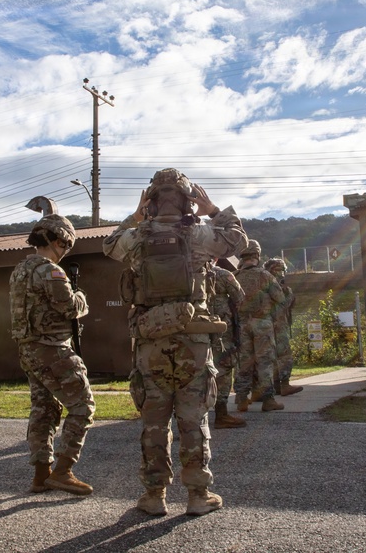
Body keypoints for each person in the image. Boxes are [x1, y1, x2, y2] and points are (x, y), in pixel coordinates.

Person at [103, 168, 247, 517]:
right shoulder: (200, 233)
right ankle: (198, 495)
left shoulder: (136, 237)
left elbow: (108, 245)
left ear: (151, 201)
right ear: (187, 199)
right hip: (193, 341)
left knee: (154, 422)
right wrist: (212, 208)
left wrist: (136, 216)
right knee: (193, 419)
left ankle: (154, 496)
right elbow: (238, 242)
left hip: (150, 342)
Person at [9, 214, 96, 496]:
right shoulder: (50, 271)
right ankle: (62, 471)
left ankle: (41, 474)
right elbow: (70, 307)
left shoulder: (19, 270)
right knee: (83, 407)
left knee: (44, 410)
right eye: (66, 247)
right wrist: (81, 296)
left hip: (29, 349)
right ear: (59, 241)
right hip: (52, 349)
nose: (64, 252)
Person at [234, 240, 285, 412]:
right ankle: (268, 399)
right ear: (257, 255)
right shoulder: (265, 275)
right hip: (262, 323)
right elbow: (280, 298)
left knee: (244, 362)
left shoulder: (235, 276)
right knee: (265, 361)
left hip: (241, 325)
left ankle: (241, 399)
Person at [206, 259, 247, 428]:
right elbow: (240, 297)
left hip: (194, 327)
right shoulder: (222, 274)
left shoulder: (186, 274)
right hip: (221, 329)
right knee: (224, 366)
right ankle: (221, 413)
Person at [264, 258, 303, 397]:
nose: (281, 273)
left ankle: (276, 386)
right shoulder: (276, 287)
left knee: (271, 357)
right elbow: (282, 306)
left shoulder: (263, 284)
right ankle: (284, 384)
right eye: (277, 270)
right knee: (284, 355)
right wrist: (289, 295)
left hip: (268, 325)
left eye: (282, 270)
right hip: (276, 325)